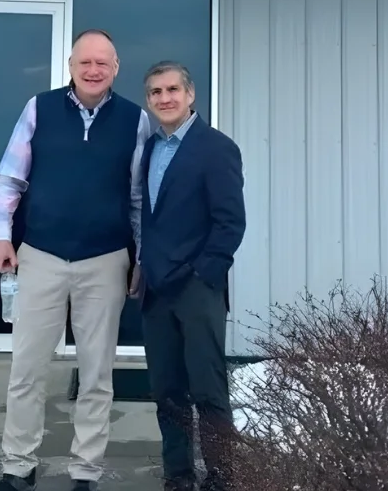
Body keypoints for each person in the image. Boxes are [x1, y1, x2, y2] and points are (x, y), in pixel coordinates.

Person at [0, 29, 150, 491]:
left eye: (103, 63)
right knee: (27, 370)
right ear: (71, 66)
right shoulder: (38, 108)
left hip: (106, 259)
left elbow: (137, 198)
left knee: (97, 373)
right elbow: (11, 179)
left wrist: (140, 258)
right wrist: (2, 236)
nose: (94, 70)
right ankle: (18, 467)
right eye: (85, 62)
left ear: (116, 68)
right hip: (39, 256)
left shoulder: (135, 120)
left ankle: (86, 472)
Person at [133, 61, 246, 491]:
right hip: (157, 290)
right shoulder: (149, 151)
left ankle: (221, 477)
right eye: (156, 92)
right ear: (149, 100)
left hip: (198, 288)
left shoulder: (216, 148)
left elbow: (230, 222)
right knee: (167, 392)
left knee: (208, 390)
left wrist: (204, 273)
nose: (165, 98)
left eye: (172, 90)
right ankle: (177, 475)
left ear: (190, 94)